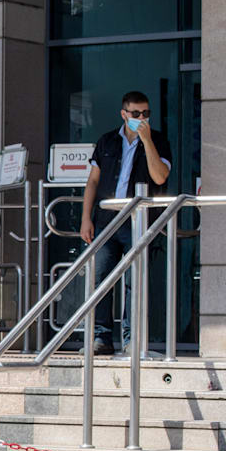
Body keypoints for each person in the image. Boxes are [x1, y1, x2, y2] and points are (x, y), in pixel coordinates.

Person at [78, 90, 172, 356]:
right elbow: (93, 181)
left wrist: (147, 140)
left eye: (146, 113)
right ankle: (101, 338)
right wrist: (86, 218)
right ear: (124, 114)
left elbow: (160, 176)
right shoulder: (107, 141)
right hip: (106, 221)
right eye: (135, 114)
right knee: (101, 281)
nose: (141, 118)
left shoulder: (159, 141)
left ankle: (132, 340)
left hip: (138, 222)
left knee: (135, 282)